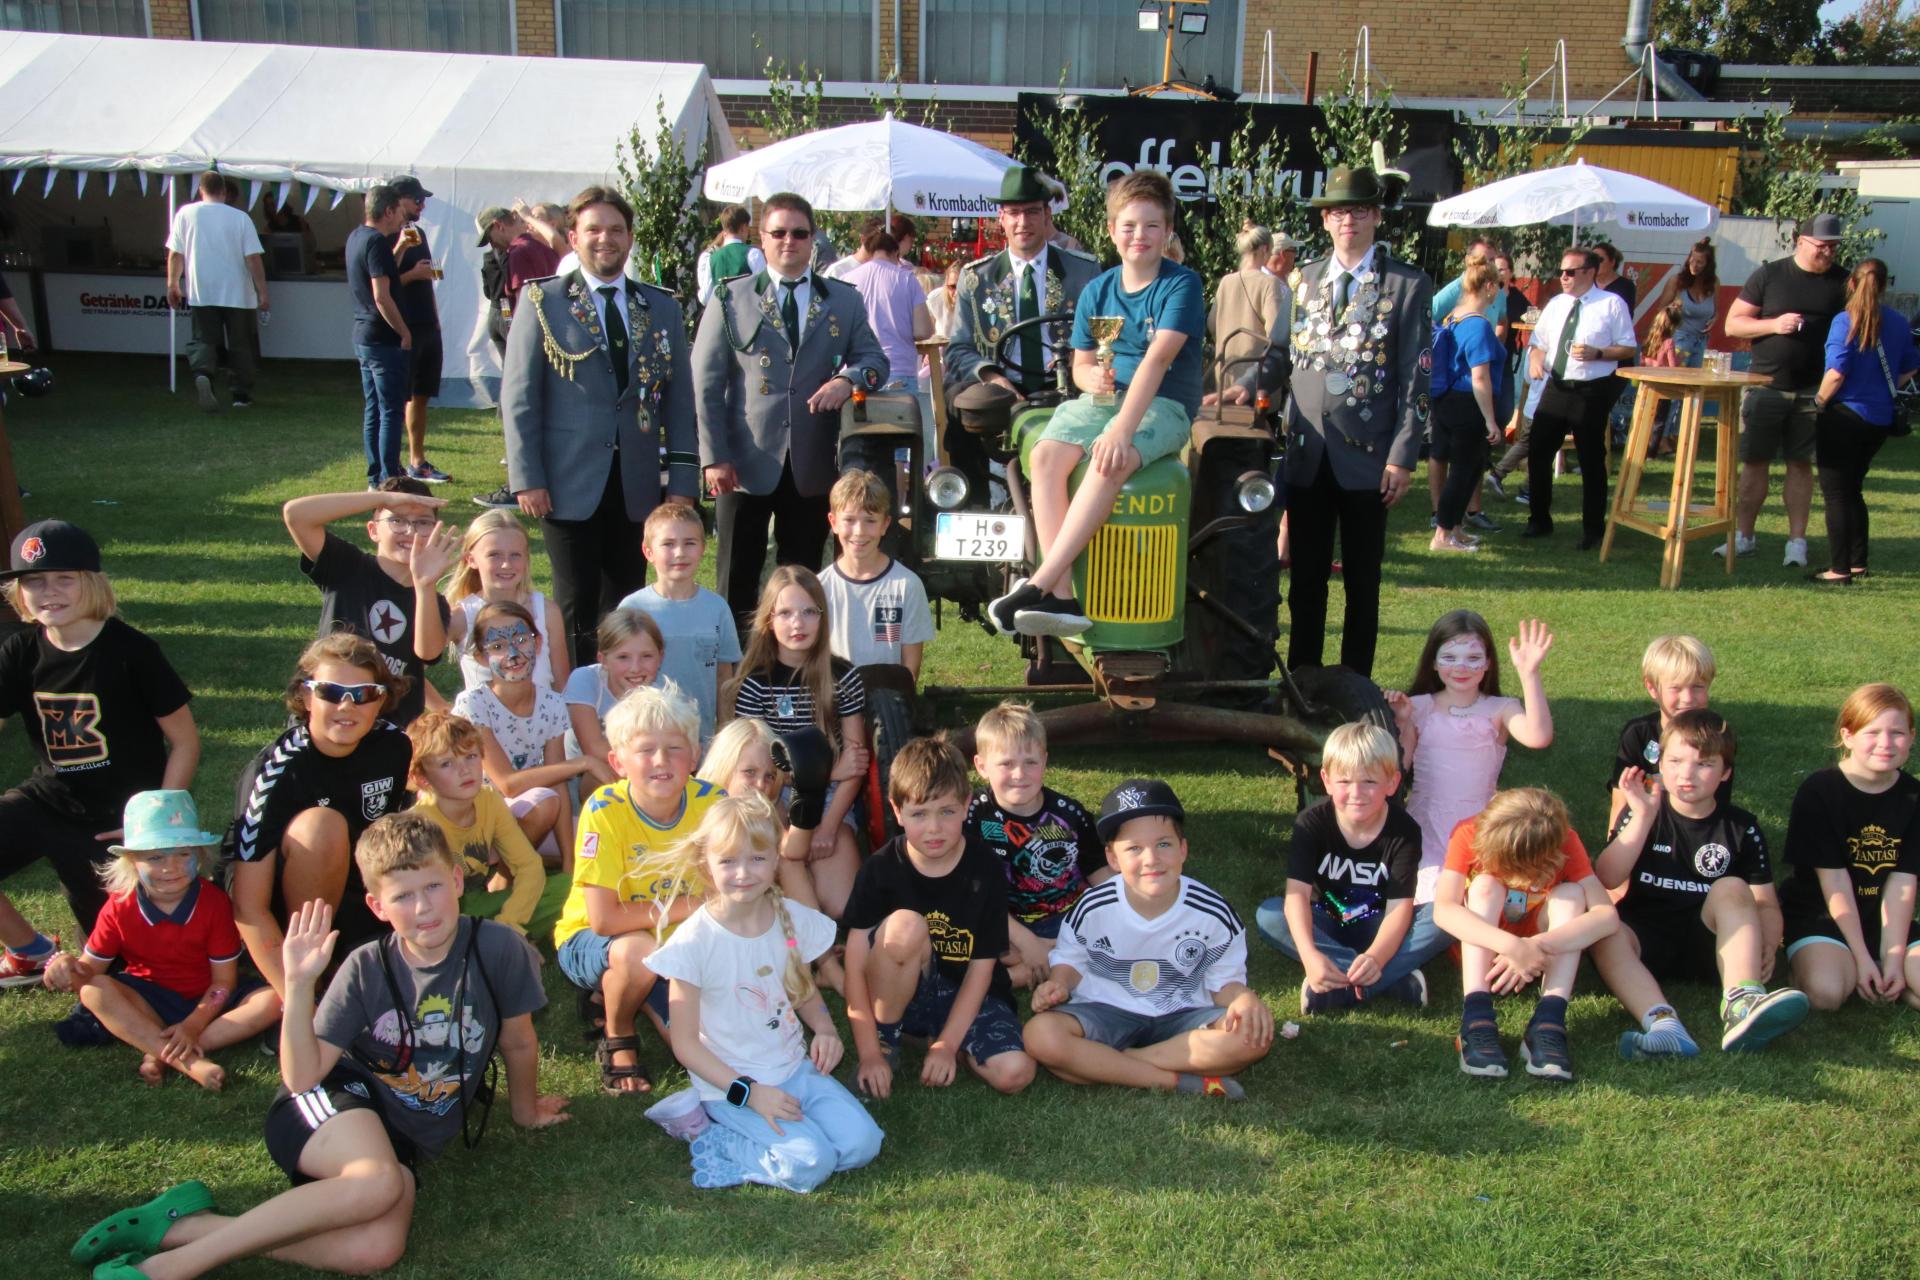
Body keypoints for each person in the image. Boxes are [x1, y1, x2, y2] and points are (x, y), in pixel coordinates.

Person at [70, 817, 566, 1280]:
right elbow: (303, 1077)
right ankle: (166, 1270)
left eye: (434, 886)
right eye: (403, 896)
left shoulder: (499, 948)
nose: (423, 908)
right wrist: (301, 983)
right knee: (377, 1183)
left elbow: (517, 1040)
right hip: (330, 1099)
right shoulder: (366, 967)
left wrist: (524, 1112)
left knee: (375, 1251)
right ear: (377, 906)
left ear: (457, 881)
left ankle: (182, 1226)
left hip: (402, 1134)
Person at [1229, 165, 1434, 678]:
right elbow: (1278, 354)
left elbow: (1416, 378)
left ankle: (1355, 686)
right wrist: (1249, 382)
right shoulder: (1302, 280)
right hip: (1307, 453)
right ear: (1325, 221)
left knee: (1363, 582)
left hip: (1371, 459)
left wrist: (1403, 457)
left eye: (1359, 210)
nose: (1349, 220)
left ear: (1376, 217)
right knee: (1305, 582)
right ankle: (1304, 681)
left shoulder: (1406, 284)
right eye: (1339, 211)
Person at [987, 169, 1205, 639]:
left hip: (1161, 405)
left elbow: (1158, 360)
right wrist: (1093, 378)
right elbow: (1081, 365)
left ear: (1168, 231)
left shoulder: (1181, 285)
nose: (1139, 236)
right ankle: (1063, 596)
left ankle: (1040, 582)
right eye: (1128, 226)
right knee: (1044, 455)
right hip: (1104, 402)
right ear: (1111, 231)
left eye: (1151, 226)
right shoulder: (1098, 290)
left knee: (1111, 459)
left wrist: (1122, 430)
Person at [638, 794, 885, 1191]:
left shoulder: (788, 919)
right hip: (730, 1087)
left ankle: (795, 1132)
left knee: (863, 1145)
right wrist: (749, 1094)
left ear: (775, 860)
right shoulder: (693, 944)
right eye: (729, 860)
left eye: (756, 858)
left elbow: (799, 990)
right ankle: (715, 1137)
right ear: (706, 865)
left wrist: (825, 1029)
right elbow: (685, 1045)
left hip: (795, 1071)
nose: (743, 872)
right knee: (811, 1164)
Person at [501, 186, 701, 666]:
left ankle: (625, 701)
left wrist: (682, 482)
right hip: (567, 481)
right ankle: (577, 710)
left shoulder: (662, 307)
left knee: (629, 599)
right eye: (593, 229)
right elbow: (519, 396)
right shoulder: (542, 301)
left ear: (630, 239)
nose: (604, 239)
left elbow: (679, 402)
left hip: (637, 484)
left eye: (615, 229)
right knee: (576, 601)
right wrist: (527, 477)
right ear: (573, 236)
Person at [0, 520, 197, 987]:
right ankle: (29, 951)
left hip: (116, 818)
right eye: (34, 581)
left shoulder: (132, 652)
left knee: (120, 967)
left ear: (92, 583)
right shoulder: (20, 650)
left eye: (63, 578)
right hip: (46, 799)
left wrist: (154, 827)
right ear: (18, 593)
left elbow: (185, 742)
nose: (48, 592)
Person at [693, 190, 889, 630]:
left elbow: (876, 361)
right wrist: (714, 457)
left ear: (813, 239)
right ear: (760, 238)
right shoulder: (729, 299)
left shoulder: (843, 300)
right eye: (778, 232)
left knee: (800, 579)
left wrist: (847, 379)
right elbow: (704, 384)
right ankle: (737, 674)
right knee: (735, 579)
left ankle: (794, 671)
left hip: (812, 461)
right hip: (744, 462)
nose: (789, 242)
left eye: (799, 233)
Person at [1024, 777, 1273, 1099]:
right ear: (1113, 859)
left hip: (1183, 1015)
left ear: (1183, 849)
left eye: (1164, 844)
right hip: (1107, 1008)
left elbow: (1223, 983)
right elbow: (1072, 958)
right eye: (1134, 849)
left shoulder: (1213, 912)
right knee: (1040, 1035)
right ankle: (1174, 1080)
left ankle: (1114, 1064)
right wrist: (1059, 983)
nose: (1151, 859)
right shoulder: (1093, 906)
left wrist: (1243, 1000)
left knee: (1251, 1037)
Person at [1593, 711, 1808, 1057]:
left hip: (1713, 947)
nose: (1686, 774)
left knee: (1733, 887)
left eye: (1704, 764)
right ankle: (1664, 1025)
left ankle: (1742, 1002)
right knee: (1607, 931)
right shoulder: (1641, 812)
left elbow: (1765, 901)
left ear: (1725, 773)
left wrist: (1767, 943)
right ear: (1660, 763)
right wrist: (1643, 818)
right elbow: (1607, 876)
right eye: (1675, 761)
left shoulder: (1742, 827)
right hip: (1647, 940)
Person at [41, 790, 280, 1085]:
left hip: (209, 999)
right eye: (155, 857)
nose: (171, 867)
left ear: (200, 854)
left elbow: (223, 982)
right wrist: (64, 963)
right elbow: (88, 974)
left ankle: (159, 1048)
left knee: (273, 1000)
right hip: (147, 1000)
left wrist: (192, 1026)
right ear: (131, 861)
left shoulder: (214, 903)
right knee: (94, 991)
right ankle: (188, 1062)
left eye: (183, 853)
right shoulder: (119, 906)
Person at [842, 736, 1036, 1098]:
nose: (934, 828)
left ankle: (942, 1041)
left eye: (947, 811)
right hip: (903, 990)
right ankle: (888, 1040)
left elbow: (982, 969)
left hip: (969, 992)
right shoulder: (879, 869)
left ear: (966, 806)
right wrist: (868, 1053)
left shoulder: (986, 870)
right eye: (919, 814)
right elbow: (854, 964)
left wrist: (947, 1045)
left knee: (1015, 1073)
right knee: (905, 925)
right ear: (897, 812)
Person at [553, 684, 720, 1096]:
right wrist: (694, 904)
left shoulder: (714, 803)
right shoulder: (604, 811)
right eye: (645, 750)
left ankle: (631, 991)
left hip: (679, 941)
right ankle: (618, 1030)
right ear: (618, 762)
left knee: (707, 1049)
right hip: (596, 939)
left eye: (675, 748)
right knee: (637, 953)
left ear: (695, 755)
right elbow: (604, 918)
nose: (661, 761)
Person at [227, 635, 416, 997]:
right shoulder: (276, 770)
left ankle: (346, 957)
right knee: (322, 826)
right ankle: (308, 977)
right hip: (277, 913)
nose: (347, 706)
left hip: (350, 888)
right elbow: (249, 908)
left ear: (382, 700)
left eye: (363, 693)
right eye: (330, 691)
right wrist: (298, 1000)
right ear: (306, 696)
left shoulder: (394, 747)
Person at [1430, 788, 1618, 1082]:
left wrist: (1534, 946)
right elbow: (1443, 909)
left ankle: (1549, 1021)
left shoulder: (1564, 840)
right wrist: (1510, 946)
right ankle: (1476, 1017)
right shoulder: (1469, 831)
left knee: (1571, 895)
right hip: (1488, 959)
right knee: (1484, 886)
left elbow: (1607, 917)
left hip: (1539, 958)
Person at [943, 165, 1100, 499]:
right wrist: (994, 379)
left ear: (1047, 216)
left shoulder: (1083, 271)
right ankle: (971, 506)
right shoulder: (976, 278)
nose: (1022, 223)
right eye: (1014, 213)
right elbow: (958, 348)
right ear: (1001, 218)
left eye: (1031, 212)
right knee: (960, 400)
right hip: (998, 390)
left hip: (1064, 385)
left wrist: (1078, 362)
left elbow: (1100, 339)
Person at [1255, 724, 1433, 1013]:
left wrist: (1376, 957)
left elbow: (1400, 907)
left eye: (1369, 782)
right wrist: (1311, 955)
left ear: (1392, 782)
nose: (1356, 793)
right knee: (1270, 914)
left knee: (1439, 917)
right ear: (1326, 780)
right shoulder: (1311, 822)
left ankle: (1341, 985)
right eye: (1345, 781)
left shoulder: (1404, 831)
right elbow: (1296, 895)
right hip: (1326, 923)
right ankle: (1392, 980)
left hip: (1380, 926)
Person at [726, 566, 867, 916]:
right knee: (785, 896)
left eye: (808, 612)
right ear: (768, 620)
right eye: (786, 613)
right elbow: (755, 767)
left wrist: (830, 826)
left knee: (840, 906)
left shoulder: (843, 675)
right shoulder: (757, 684)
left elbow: (856, 762)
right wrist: (825, 773)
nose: (797, 623)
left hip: (833, 799)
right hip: (773, 793)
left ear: (822, 617)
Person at [1387, 611, 1554, 903]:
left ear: (1488, 663)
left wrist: (1530, 674)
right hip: (1428, 821)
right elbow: (1398, 768)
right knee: (1429, 892)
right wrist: (1401, 722)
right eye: (1450, 657)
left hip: (1482, 822)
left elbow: (1538, 737)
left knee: (1483, 891)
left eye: (1473, 658)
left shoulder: (1501, 709)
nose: (1461, 667)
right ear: (1434, 663)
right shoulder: (1418, 706)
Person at [1779, 683, 1920, 1011]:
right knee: (1826, 994)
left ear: (1911, 738)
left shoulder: (1914, 797)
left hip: (1884, 921)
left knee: (1898, 969)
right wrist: (1861, 956)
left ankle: (1893, 982)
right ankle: (1812, 968)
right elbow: (1835, 883)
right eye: (1872, 732)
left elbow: (1903, 883)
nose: (1885, 744)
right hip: (1823, 915)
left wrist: (1893, 958)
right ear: (1848, 735)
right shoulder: (1819, 792)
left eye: (1897, 733)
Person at [1719, 212, 1850, 567]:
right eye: (1821, 245)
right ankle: (1743, 536)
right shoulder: (1770, 274)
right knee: (1754, 462)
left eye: (1833, 246)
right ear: (1801, 241)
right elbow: (1733, 324)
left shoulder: (1843, 282)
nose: (1828, 252)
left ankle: (1797, 541)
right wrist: (1774, 324)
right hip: (1766, 384)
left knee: (1800, 465)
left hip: (1814, 390)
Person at [282, 479, 456, 728]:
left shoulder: (432, 600)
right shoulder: (348, 567)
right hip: (326, 720)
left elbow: (427, 652)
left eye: (423, 522)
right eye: (397, 520)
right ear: (373, 530)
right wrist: (381, 499)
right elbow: (296, 515)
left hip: (388, 733)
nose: (411, 531)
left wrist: (425, 585)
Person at [965, 700, 1107, 989]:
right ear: (981, 766)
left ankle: (1023, 972)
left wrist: (1123, 910)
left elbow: (1099, 873)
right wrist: (1025, 940)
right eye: (1006, 763)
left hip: (1065, 920)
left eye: (1030, 762)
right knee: (969, 935)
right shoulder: (973, 816)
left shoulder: (1070, 814)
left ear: (1044, 760)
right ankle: (1056, 963)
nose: (1019, 774)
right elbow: (973, 891)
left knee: (1108, 932)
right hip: (1002, 921)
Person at [451, 600, 591, 866]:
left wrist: (568, 862)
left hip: (526, 812)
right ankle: (500, 883)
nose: (512, 653)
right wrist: (583, 762)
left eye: (521, 639)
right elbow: (506, 783)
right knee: (544, 803)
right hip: (477, 819)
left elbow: (557, 780)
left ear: (537, 644)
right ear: (481, 657)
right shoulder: (473, 704)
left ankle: (531, 864)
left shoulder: (552, 703)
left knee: (591, 838)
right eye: (497, 647)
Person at [1810, 257, 1919, 584]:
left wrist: (1817, 402)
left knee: (1837, 494)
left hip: (1843, 415)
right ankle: (1858, 562)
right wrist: (1885, 389)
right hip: (1878, 419)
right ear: (1884, 287)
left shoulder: (1845, 321)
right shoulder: (1898, 322)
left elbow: (1836, 372)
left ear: (1852, 284)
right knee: (1853, 488)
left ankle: (1839, 568)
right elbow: (1911, 368)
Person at [1521, 247, 1638, 550]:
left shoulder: (1611, 304)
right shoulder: (1557, 304)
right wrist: (1535, 358)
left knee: (1591, 459)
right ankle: (1539, 519)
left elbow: (1627, 348)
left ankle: (1593, 529)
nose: (1563, 277)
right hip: (1557, 385)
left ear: (1589, 272)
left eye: (1570, 272)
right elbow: (1538, 342)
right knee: (1538, 451)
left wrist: (1598, 353)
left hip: (1591, 389)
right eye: (1561, 271)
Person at [405, 711, 547, 931]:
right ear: (421, 778)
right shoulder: (418, 824)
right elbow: (422, 900)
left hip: (479, 902)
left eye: (470, 756)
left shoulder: (489, 799)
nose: (464, 770)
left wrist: (509, 925)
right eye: (446, 764)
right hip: (442, 916)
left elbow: (529, 865)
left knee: (565, 889)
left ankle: (498, 935)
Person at [615, 504, 741, 746]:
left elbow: (724, 676)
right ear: (648, 551)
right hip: (646, 736)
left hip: (701, 740)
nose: (680, 552)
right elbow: (617, 676)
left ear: (703, 548)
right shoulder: (633, 608)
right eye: (668, 544)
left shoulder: (717, 608)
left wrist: (724, 734)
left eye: (690, 543)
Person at [165, 170, 267, 412]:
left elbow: (175, 254)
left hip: (202, 290)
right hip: (238, 293)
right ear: (224, 191)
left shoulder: (185, 214)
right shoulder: (240, 218)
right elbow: (253, 258)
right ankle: (241, 394)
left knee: (204, 340)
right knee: (240, 344)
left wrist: (172, 284)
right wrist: (263, 291)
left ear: (201, 190)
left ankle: (204, 374)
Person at [819, 469, 935, 681]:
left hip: (888, 700)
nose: (859, 531)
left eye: (870, 521)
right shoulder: (820, 587)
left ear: (885, 524)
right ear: (833, 522)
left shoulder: (907, 585)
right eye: (849, 520)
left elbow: (910, 668)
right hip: (835, 701)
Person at [1606, 635, 1730, 831]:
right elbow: (1621, 799)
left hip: (1696, 829)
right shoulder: (1637, 734)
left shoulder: (1718, 734)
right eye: (1676, 688)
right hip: (1643, 825)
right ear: (1652, 687)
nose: (1688, 698)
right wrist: (1613, 843)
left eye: (1698, 686)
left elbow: (1719, 804)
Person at [1427, 255, 1506, 552]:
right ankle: (1443, 535)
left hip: (1447, 401)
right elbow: (1480, 377)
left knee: (1469, 468)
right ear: (1488, 286)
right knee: (1463, 470)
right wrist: (1490, 420)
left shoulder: (1454, 318)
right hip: (1467, 405)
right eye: (1497, 284)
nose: (1499, 290)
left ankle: (1454, 529)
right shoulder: (1479, 326)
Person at [443, 510, 568, 693]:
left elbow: (562, 683)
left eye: (515, 555)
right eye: (494, 555)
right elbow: (418, 661)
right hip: (483, 721)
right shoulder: (462, 616)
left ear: (526, 558)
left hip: (544, 719)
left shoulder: (546, 611)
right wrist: (440, 706)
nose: (506, 564)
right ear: (471, 560)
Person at [385, 176, 450, 486]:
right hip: (403, 326)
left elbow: (426, 278)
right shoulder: (384, 236)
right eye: (416, 200)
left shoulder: (418, 232)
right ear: (398, 200)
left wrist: (436, 319)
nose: (422, 205)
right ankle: (391, 463)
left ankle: (417, 461)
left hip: (426, 325)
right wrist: (412, 274)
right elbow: (383, 284)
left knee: (421, 395)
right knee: (397, 397)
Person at [346, 185, 412, 487]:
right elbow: (382, 297)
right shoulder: (376, 243)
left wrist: (398, 249)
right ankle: (388, 478)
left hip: (363, 335)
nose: (403, 217)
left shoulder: (357, 237)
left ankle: (375, 475)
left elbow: (382, 276)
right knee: (390, 411)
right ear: (388, 211)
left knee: (374, 407)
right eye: (399, 211)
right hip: (382, 337)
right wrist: (404, 331)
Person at [564, 607, 665, 773]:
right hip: (584, 777)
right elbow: (593, 748)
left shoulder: (662, 692)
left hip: (641, 772)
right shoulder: (586, 680)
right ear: (603, 659)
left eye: (646, 656)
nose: (635, 668)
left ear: (660, 657)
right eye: (623, 657)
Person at [843, 229, 934, 400]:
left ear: (869, 252)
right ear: (895, 252)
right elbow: (923, 331)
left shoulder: (847, 279)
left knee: (861, 425)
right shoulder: (907, 279)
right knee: (901, 425)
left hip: (857, 371)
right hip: (898, 369)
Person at [1209, 224, 1286, 393]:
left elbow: (1212, 324)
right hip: (1256, 375)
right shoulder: (1269, 283)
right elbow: (1276, 330)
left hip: (1226, 369)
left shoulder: (1226, 281)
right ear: (1265, 248)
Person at [1648, 237, 1719, 370]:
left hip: (1701, 342)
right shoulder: (1677, 281)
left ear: (1708, 265)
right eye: (1692, 260)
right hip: (1679, 340)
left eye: (1700, 262)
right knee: (1676, 383)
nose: (1694, 265)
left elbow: (1716, 310)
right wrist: (1673, 309)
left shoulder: (1714, 283)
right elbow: (1660, 311)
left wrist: (1715, 318)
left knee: (1695, 385)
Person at [476, 205, 521, 360]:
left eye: (490, 238)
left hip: (495, 311)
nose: (492, 243)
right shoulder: (511, 253)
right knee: (516, 363)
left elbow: (487, 291)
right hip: (506, 310)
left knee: (509, 367)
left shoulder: (488, 257)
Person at [695, 205, 766, 304]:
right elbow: (765, 291)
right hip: (747, 315)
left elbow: (705, 298)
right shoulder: (753, 254)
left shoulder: (711, 258)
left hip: (722, 316)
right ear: (743, 227)